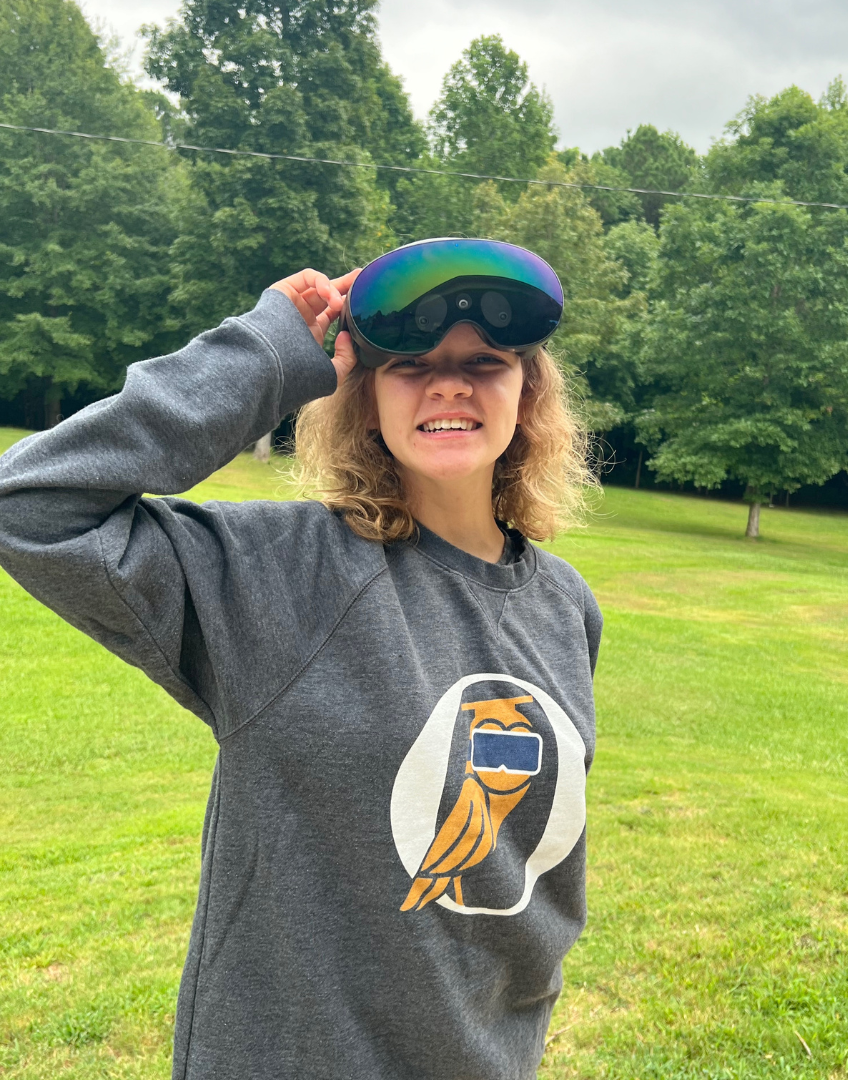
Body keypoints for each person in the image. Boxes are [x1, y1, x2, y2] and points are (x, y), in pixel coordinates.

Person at [0, 238, 603, 1080]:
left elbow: (534, 874)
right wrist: (266, 350)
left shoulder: (566, 605)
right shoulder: (276, 572)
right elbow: (33, 508)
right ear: (363, 399)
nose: (449, 384)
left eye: (486, 362)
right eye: (411, 364)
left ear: (527, 396)